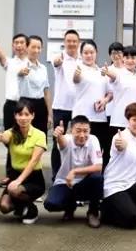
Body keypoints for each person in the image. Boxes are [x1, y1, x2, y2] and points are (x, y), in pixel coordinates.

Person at [44, 115, 103, 228]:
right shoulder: (67, 139)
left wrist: (75, 171)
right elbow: (62, 143)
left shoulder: (93, 139)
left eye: (85, 131)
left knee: (97, 178)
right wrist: (59, 136)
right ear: (71, 130)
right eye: (78, 131)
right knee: (50, 204)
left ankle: (93, 212)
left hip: (85, 183)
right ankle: (70, 207)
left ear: (90, 130)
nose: (82, 135)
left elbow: (98, 166)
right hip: (65, 182)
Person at [101, 102, 136, 228]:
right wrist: (121, 145)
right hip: (116, 185)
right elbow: (119, 146)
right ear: (128, 120)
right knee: (132, 220)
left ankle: (125, 208)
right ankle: (106, 209)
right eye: (134, 120)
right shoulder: (120, 137)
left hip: (133, 183)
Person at [0, 99, 47, 225]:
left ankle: (32, 210)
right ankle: (21, 206)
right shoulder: (11, 133)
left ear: (32, 115)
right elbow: (6, 137)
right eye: (20, 114)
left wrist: (18, 181)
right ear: (15, 116)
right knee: (4, 207)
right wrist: (2, 138)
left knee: (15, 190)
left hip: (34, 178)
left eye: (26, 114)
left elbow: (34, 161)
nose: (23, 118)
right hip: (15, 174)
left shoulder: (40, 135)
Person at [0, 33, 27, 187]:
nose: (19, 45)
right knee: (10, 139)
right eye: (16, 42)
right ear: (13, 45)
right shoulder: (10, 62)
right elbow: (1, 58)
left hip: (25, 107)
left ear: (27, 45)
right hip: (10, 106)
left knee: (25, 140)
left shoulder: (31, 63)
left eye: (22, 42)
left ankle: (23, 174)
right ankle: (11, 174)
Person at [72, 39, 111, 165]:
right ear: (81, 54)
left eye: (91, 52)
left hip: (100, 118)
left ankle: (96, 174)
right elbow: (75, 79)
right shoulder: (78, 69)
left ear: (96, 52)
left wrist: (105, 100)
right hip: (82, 118)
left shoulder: (102, 72)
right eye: (85, 53)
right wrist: (76, 75)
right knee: (81, 152)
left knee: (98, 151)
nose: (89, 55)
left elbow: (110, 93)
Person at [51, 29, 81, 179]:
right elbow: (56, 63)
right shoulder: (59, 57)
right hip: (60, 107)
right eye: (69, 41)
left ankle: (75, 174)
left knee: (78, 141)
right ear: (64, 42)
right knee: (58, 141)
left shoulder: (82, 60)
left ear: (78, 43)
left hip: (78, 108)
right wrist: (58, 61)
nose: (71, 44)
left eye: (74, 41)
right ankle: (56, 176)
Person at [106, 46, 136, 147]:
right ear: (123, 59)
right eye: (127, 57)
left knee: (134, 149)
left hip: (135, 122)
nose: (130, 60)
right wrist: (108, 73)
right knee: (116, 150)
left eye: (133, 58)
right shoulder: (118, 74)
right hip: (119, 120)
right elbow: (113, 77)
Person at [18, 35, 52, 136]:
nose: (36, 50)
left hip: (41, 105)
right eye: (33, 47)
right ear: (26, 48)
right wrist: (20, 73)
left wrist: (50, 114)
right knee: (24, 137)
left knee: (40, 137)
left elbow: (46, 92)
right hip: (24, 105)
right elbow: (17, 74)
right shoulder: (20, 64)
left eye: (39, 48)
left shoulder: (43, 68)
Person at [105, 42, 125, 125]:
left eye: (119, 52)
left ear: (123, 54)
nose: (116, 56)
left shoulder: (128, 70)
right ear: (110, 55)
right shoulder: (106, 70)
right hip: (110, 110)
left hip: (124, 111)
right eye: (113, 53)